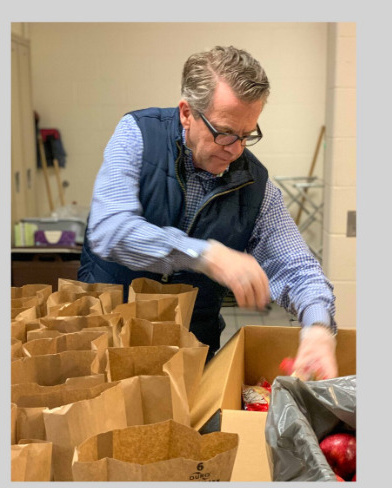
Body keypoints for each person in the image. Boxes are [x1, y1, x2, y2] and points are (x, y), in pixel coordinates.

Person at [78, 45, 338, 380]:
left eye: (247, 135)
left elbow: (297, 268)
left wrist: (318, 327)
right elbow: (109, 230)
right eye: (224, 133)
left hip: (190, 354)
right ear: (187, 113)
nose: (235, 150)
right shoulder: (137, 134)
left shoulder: (255, 185)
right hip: (107, 341)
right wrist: (204, 255)